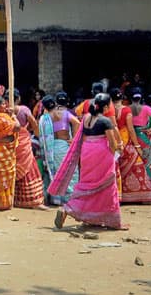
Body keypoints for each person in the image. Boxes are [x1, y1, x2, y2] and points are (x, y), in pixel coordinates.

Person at [52, 93, 127, 230]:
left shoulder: (86, 118)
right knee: (107, 186)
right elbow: (111, 144)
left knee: (86, 184)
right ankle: (113, 221)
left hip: (87, 152)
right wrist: (119, 149)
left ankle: (68, 209)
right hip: (101, 154)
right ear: (105, 107)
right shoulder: (105, 121)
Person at [114, 89, 151, 204]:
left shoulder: (108, 110)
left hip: (113, 141)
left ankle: (118, 195)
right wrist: (137, 145)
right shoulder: (126, 110)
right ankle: (142, 195)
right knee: (137, 166)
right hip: (126, 141)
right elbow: (130, 129)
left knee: (116, 168)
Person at [38, 95, 81, 206]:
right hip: (64, 145)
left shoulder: (45, 118)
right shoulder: (64, 113)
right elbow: (77, 123)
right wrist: (74, 140)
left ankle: (57, 200)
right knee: (70, 173)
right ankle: (71, 199)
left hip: (52, 148)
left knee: (57, 174)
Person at [13, 90, 45, 208]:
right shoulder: (24, 109)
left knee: (14, 167)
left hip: (11, 143)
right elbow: (34, 123)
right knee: (29, 168)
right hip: (24, 142)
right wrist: (37, 134)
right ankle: (32, 199)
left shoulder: (4, 110)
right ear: (19, 98)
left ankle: (14, 198)